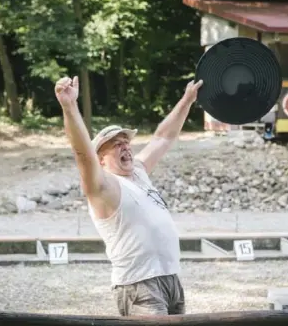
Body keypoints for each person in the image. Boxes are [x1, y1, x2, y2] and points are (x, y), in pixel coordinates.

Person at [54, 76, 203, 316]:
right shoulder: (103, 186)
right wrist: (69, 107)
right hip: (139, 285)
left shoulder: (139, 172)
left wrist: (186, 101)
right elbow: (82, 153)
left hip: (171, 279)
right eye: (116, 144)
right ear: (100, 159)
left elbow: (163, 137)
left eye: (126, 141)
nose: (125, 146)